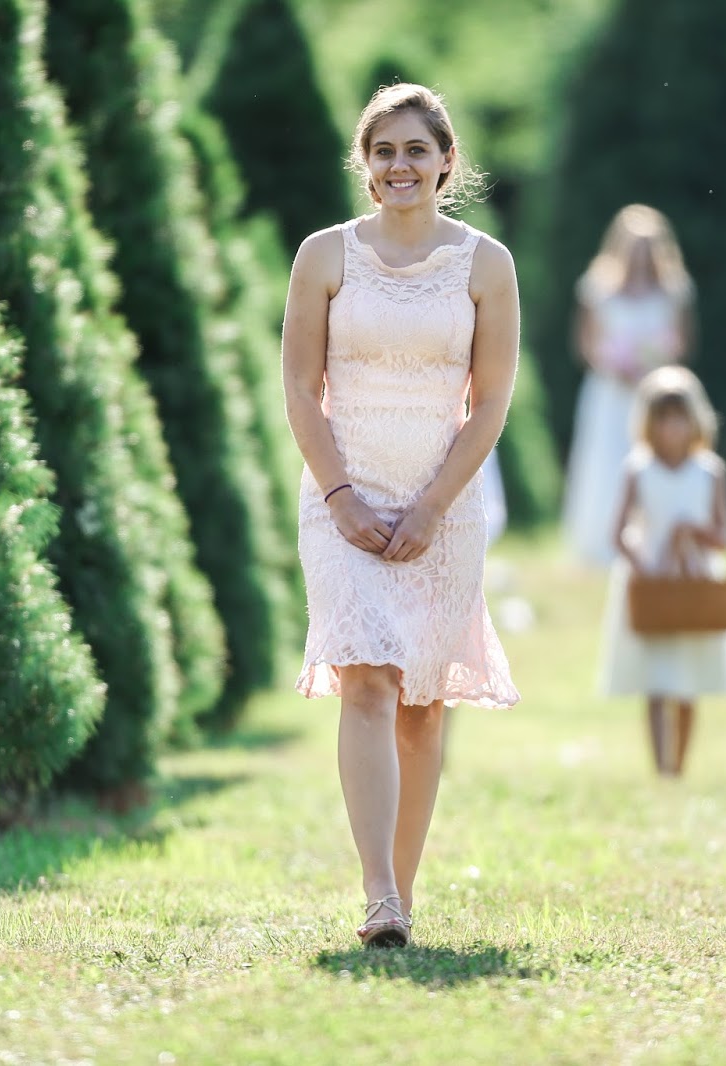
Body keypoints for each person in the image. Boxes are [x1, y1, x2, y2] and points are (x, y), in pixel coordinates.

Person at [281, 83, 521, 949]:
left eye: (417, 150)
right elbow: (301, 391)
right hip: (342, 498)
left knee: (422, 704)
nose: (400, 166)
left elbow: (490, 401)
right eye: (384, 151)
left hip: (443, 507)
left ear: (447, 160)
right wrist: (342, 497)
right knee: (369, 677)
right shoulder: (324, 256)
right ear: (365, 164)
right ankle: (377, 895)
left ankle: (404, 895)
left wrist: (430, 507)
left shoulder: (485, 264)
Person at [598, 366, 726, 777]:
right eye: (663, 418)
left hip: (695, 580)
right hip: (652, 581)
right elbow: (619, 533)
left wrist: (693, 531)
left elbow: (724, 535)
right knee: (656, 678)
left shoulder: (711, 471)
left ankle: (679, 764)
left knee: (688, 679)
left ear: (695, 419)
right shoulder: (638, 469)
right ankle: (660, 765)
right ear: (649, 422)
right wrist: (645, 567)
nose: (672, 428)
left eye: (679, 418)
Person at [562, 205, 696, 568]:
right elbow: (587, 343)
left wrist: (653, 364)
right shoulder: (599, 288)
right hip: (610, 392)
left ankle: (657, 539)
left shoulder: (673, 290)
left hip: (654, 393)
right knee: (606, 462)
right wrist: (615, 365)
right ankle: (602, 543)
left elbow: (681, 342)